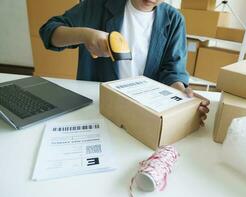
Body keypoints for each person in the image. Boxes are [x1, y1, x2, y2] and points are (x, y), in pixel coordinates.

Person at [40, 0, 209, 126]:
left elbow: (172, 70)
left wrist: (181, 96)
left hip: (146, 112)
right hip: (98, 107)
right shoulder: (98, 6)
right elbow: (48, 32)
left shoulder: (174, 20)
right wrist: (85, 35)